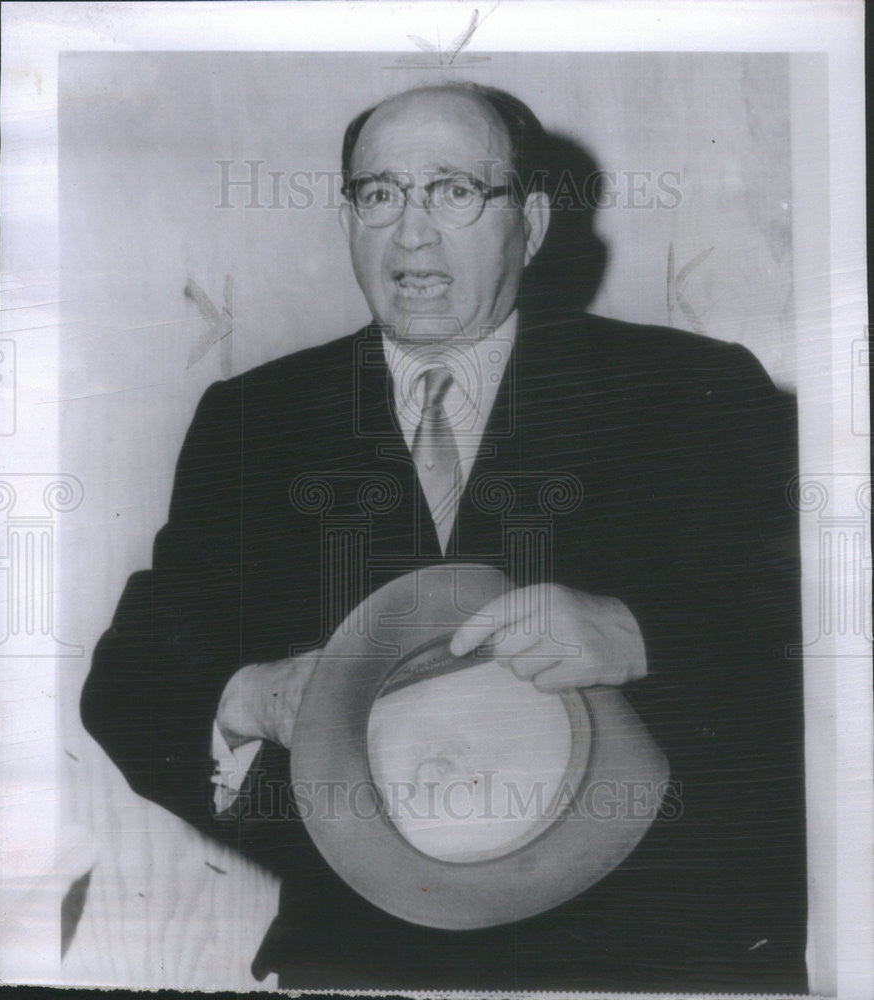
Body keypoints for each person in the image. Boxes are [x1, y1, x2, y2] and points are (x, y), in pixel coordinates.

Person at [80, 83, 806, 992]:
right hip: (360, 961)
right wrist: (255, 698)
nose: (411, 233)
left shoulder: (686, 392)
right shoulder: (253, 420)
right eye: (379, 194)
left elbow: (813, 652)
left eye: (454, 191)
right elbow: (129, 680)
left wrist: (640, 635)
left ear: (532, 224)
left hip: (641, 961)